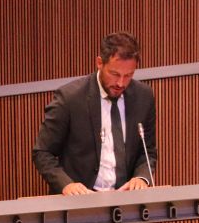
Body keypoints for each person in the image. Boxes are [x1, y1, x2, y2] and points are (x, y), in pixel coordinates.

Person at [32, 32, 157, 195]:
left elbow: (148, 151)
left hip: (126, 199)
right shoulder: (70, 98)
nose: (121, 83)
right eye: (115, 74)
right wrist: (66, 185)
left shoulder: (143, 97)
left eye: (128, 75)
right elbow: (42, 152)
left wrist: (142, 177)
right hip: (80, 200)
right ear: (99, 63)